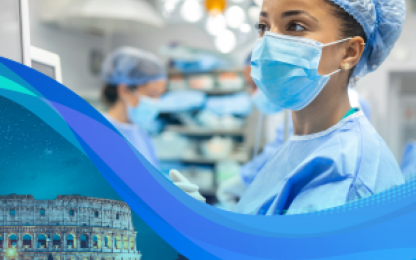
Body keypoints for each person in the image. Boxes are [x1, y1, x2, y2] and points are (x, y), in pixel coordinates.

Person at [170, 0, 406, 215]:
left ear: (349, 52)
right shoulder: (306, 144)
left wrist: (202, 235)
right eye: (263, 26)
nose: (269, 43)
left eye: (296, 26)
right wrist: (210, 225)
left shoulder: (345, 174)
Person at [216, 53, 373, 211]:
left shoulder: (318, 108)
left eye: (256, 85)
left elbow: (283, 151)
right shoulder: (342, 101)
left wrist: (245, 178)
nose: (253, 93)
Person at [101, 47, 167, 168]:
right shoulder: (98, 134)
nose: (156, 102)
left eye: (160, 95)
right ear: (124, 90)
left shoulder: (141, 134)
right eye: (152, 95)